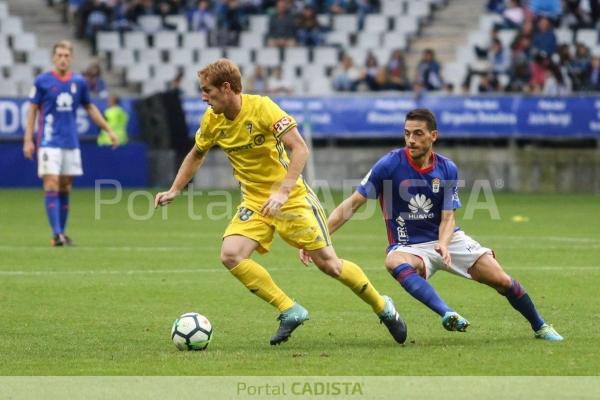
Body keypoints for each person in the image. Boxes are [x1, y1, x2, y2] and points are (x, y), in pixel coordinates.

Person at [154, 59, 407, 346]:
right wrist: (176, 189)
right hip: (255, 201)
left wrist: (282, 192)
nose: (203, 97)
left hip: (292, 198)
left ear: (226, 88)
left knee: (330, 265)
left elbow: (300, 148)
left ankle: (383, 306)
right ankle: (290, 309)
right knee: (231, 254)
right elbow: (196, 154)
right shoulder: (212, 120)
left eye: (207, 90)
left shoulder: (262, 108)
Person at [300, 108, 563, 342]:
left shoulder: (447, 169)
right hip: (407, 245)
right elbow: (352, 204)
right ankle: (446, 312)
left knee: (503, 280)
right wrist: (317, 238)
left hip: (447, 239)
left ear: (433, 136)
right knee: (393, 262)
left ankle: (540, 326)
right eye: (407, 133)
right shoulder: (389, 165)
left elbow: (449, 216)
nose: (411, 140)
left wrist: (444, 244)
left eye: (418, 134)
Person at [23, 40, 119, 246]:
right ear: (53, 57)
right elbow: (32, 109)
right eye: (59, 55)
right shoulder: (42, 81)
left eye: (67, 55)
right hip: (49, 141)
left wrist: (108, 129)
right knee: (51, 184)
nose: (63, 59)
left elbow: (90, 108)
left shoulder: (79, 82)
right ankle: (56, 234)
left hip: (71, 142)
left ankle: (62, 233)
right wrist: (27, 139)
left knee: (66, 187)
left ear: (71, 58)